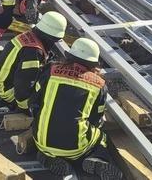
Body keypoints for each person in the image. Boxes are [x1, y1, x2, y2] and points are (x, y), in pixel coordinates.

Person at [29, 38, 122, 179]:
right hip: (75, 148)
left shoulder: (51, 71)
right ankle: (96, 158)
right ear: (94, 64)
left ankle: (47, 157)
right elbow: (96, 119)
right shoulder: (99, 84)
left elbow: (33, 102)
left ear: (69, 56)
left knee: (43, 133)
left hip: (42, 141)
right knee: (100, 135)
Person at [0, 11, 67, 116]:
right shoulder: (34, 51)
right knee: (51, 84)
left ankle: (6, 98)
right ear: (50, 36)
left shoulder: (28, 36)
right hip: (11, 90)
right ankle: (11, 101)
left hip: (4, 82)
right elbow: (24, 82)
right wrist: (25, 107)